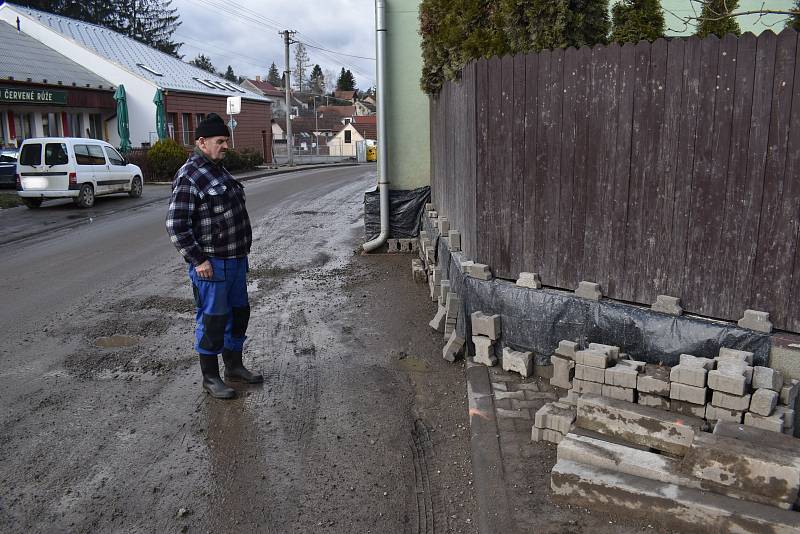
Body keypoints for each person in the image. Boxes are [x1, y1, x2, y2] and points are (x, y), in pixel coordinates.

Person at [166, 113, 262, 399]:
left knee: (238, 314)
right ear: (202, 142)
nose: (225, 146)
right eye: (220, 141)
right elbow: (175, 224)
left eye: (226, 140)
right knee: (213, 320)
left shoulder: (219, 170)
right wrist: (199, 260)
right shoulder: (190, 175)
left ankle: (234, 367)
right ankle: (210, 378)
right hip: (212, 266)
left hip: (234, 261)